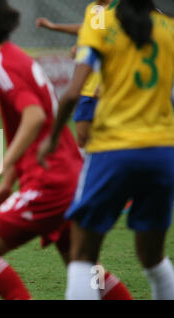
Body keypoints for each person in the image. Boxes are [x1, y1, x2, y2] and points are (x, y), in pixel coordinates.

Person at [0, 0, 131, 300]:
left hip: (50, 182)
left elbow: (34, 117)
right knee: (85, 267)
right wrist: (9, 181)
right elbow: (25, 127)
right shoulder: (15, 57)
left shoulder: (3, 66)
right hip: (68, 175)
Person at [38, 0, 174, 299]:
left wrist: (52, 137)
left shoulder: (103, 24)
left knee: (82, 254)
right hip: (163, 152)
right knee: (153, 257)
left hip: (114, 149)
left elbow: (72, 92)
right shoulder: (168, 29)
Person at [36, 0, 116, 149]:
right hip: (88, 87)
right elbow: (91, 33)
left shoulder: (124, 10)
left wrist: (107, 82)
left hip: (110, 88)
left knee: (110, 140)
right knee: (83, 140)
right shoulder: (95, 8)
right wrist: (55, 27)